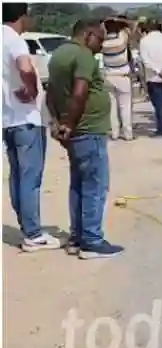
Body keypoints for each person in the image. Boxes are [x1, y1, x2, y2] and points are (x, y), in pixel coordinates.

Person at [46, 19, 124, 258]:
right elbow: (80, 92)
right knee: (95, 185)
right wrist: (68, 123)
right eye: (100, 39)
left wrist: (57, 123)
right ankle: (92, 240)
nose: (101, 45)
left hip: (75, 132)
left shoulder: (58, 54)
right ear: (88, 34)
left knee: (78, 185)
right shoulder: (83, 56)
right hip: (88, 130)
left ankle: (77, 237)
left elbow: (50, 93)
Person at [2, 3, 61, 252]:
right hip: (26, 117)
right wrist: (32, 89)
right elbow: (25, 67)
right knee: (30, 178)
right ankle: (33, 234)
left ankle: (27, 227)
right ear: (22, 17)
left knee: (17, 176)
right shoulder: (14, 40)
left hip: (7, 118)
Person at [102, 16, 136, 141]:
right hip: (123, 76)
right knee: (125, 106)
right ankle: (128, 134)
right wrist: (118, 19)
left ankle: (115, 133)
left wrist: (106, 22)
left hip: (108, 76)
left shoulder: (103, 42)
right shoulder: (122, 37)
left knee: (112, 107)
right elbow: (133, 25)